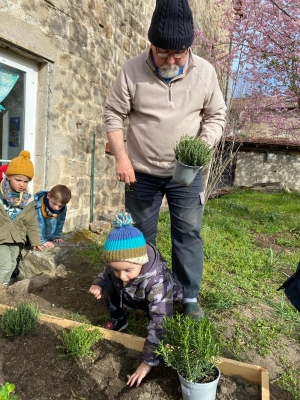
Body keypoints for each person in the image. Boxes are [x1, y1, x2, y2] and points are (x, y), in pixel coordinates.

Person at [104, 0, 227, 320]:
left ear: (189, 47)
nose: (171, 60)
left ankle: (188, 298)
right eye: (163, 53)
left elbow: (216, 116)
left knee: (187, 232)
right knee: (139, 238)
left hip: (186, 174)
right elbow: (113, 115)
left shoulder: (206, 73)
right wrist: (122, 157)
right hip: (140, 172)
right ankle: (142, 293)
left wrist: (201, 148)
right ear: (151, 44)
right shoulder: (131, 70)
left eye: (179, 53)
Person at [89, 211, 183, 387]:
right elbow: (107, 272)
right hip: (136, 294)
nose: (122, 276)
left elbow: (160, 322)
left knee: (156, 320)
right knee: (110, 284)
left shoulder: (157, 282)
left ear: (141, 261)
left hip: (162, 300)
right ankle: (119, 318)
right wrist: (99, 283)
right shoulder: (121, 266)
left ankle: (148, 324)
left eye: (127, 270)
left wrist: (147, 362)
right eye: (117, 270)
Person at [0, 150, 42, 290]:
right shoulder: (1, 196)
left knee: (12, 264)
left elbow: (31, 222)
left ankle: (3, 287)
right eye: (18, 180)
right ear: (8, 176)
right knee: (4, 264)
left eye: (26, 181)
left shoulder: (28, 200)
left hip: (17, 238)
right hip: (1, 236)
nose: (22, 184)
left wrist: (35, 241)